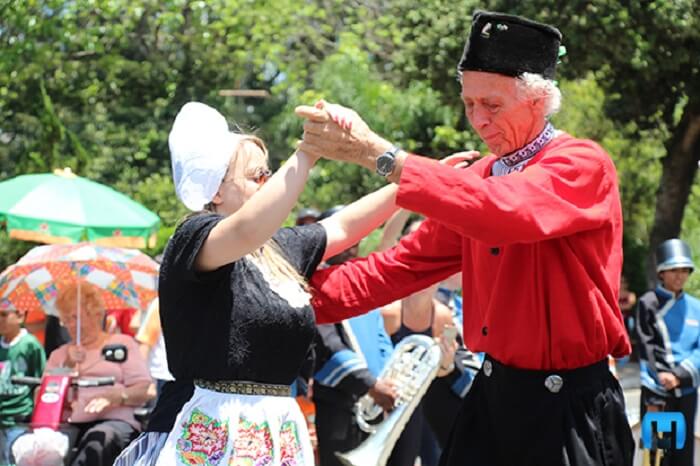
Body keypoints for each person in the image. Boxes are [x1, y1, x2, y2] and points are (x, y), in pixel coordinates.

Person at [297, 10, 634, 466]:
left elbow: (502, 210)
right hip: (494, 398)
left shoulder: (581, 164)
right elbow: (398, 267)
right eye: (469, 103)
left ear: (538, 99)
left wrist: (381, 156)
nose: (478, 119)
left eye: (491, 105)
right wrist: (284, 296)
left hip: (568, 409)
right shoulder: (481, 177)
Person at [117, 101, 401, 466]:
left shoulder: (278, 247)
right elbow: (247, 229)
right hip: (212, 427)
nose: (269, 183)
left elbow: (344, 226)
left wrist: (417, 181)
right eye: (257, 176)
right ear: (216, 191)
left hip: (278, 426)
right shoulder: (193, 237)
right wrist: (308, 153)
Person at [45, 281, 153, 466]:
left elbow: (147, 391)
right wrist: (67, 367)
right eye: (66, 319)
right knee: (40, 447)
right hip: (69, 423)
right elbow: (44, 397)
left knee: (99, 441)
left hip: (114, 421)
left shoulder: (122, 344)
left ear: (95, 314)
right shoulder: (59, 355)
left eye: (75, 317)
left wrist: (117, 397)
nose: (70, 325)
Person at [636, 238, 699, 466]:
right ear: (661, 272)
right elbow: (647, 346)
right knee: (658, 456)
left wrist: (680, 375)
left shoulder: (696, 307)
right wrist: (662, 380)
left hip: (687, 390)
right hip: (659, 391)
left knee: (683, 455)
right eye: (673, 270)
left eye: (684, 270)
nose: (679, 276)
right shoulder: (648, 303)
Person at [0, 308, 46, 465]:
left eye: (4, 314)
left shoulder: (30, 345)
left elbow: (41, 381)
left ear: (20, 316)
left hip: (19, 418)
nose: (1, 319)